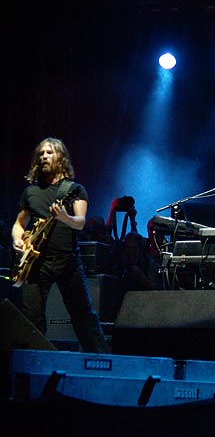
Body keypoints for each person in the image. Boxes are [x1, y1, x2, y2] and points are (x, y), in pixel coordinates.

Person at [11, 137, 109, 353]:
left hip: (67, 262)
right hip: (35, 263)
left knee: (83, 316)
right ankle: (35, 365)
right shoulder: (30, 192)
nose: (44, 156)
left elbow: (80, 222)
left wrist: (65, 217)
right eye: (41, 154)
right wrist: (17, 239)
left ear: (60, 157)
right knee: (31, 318)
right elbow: (19, 223)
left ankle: (102, 361)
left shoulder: (74, 190)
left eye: (49, 152)